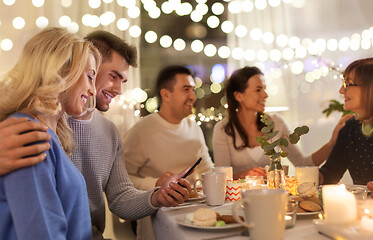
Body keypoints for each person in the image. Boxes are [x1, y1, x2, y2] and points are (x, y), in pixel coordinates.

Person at [0, 31, 191, 240]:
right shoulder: (30, 133)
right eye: (112, 76)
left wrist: (157, 197)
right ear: (69, 70)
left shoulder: (66, 130)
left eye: (123, 81)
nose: (118, 90)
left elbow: (120, 197)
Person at [0, 27, 101, 239]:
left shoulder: (50, 135)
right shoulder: (27, 133)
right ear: (62, 70)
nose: (93, 90)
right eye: (90, 77)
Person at [123, 65, 214, 239]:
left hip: (196, 216)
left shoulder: (193, 127)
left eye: (193, 90)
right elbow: (122, 182)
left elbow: (207, 169)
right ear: (165, 94)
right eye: (186, 90)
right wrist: (156, 183)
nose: (193, 97)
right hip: (158, 222)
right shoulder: (141, 131)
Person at [212, 66, 351, 180]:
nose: (265, 95)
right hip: (235, 201)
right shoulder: (223, 129)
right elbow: (221, 177)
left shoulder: (276, 123)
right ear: (238, 96)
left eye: (265, 89)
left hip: (270, 196)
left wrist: (332, 142)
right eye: (258, 90)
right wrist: (244, 175)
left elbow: (303, 164)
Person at [320, 58, 373, 185]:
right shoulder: (350, 128)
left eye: (348, 84)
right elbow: (331, 173)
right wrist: (305, 178)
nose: (341, 91)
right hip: (362, 204)